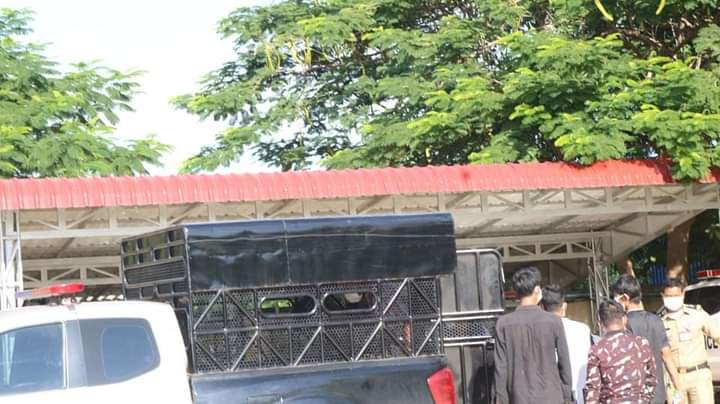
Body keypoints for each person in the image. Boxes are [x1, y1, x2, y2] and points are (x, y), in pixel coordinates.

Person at [494, 266, 573, 404]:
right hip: (552, 396)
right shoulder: (553, 321)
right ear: (537, 290)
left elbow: (500, 368)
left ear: (516, 292)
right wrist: (566, 396)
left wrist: (501, 400)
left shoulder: (503, 324)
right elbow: (564, 362)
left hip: (518, 397)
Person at [611, 274, 683, 403]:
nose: (615, 301)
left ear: (625, 298)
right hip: (657, 395)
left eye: (616, 297)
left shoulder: (622, 324)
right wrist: (678, 390)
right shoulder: (656, 320)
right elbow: (667, 357)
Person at [660, 277, 720, 404]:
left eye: (676, 295)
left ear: (683, 294)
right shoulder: (659, 322)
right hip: (674, 380)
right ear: (662, 296)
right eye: (669, 296)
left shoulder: (696, 315)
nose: (672, 299)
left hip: (699, 376)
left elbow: (718, 335)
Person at [584, 299, 656, 403]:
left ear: (600, 324)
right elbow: (652, 380)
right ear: (624, 319)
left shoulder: (597, 350)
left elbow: (593, 389)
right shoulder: (642, 343)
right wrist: (643, 399)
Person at [541, 284, 592, 404]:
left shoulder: (539, 332)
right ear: (564, 306)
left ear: (541, 307)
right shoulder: (583, 329)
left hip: (552, 397)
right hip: (581, 396)